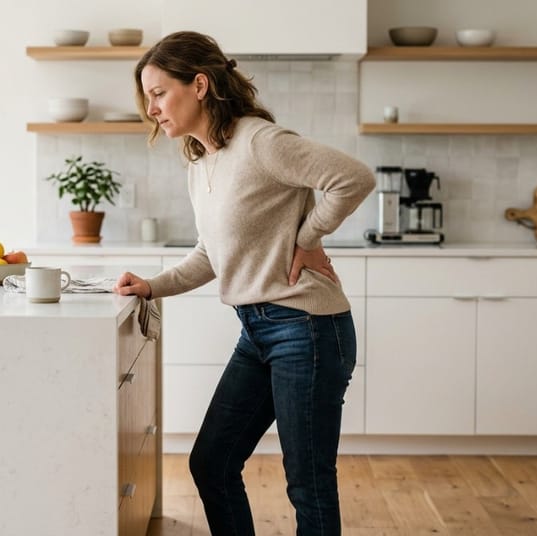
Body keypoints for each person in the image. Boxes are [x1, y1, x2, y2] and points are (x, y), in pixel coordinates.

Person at [113, 31, 375, 536]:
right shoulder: (200, 161)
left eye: (159, 93)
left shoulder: (261, 142)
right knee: (211, 463)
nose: (152, 109)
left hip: (308, 328)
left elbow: (353, 177)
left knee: (308, 484)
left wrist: (308, 235)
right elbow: (211, 254)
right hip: (257, 331)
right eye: (147, 98)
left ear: (200, 85)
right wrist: (151, 286)